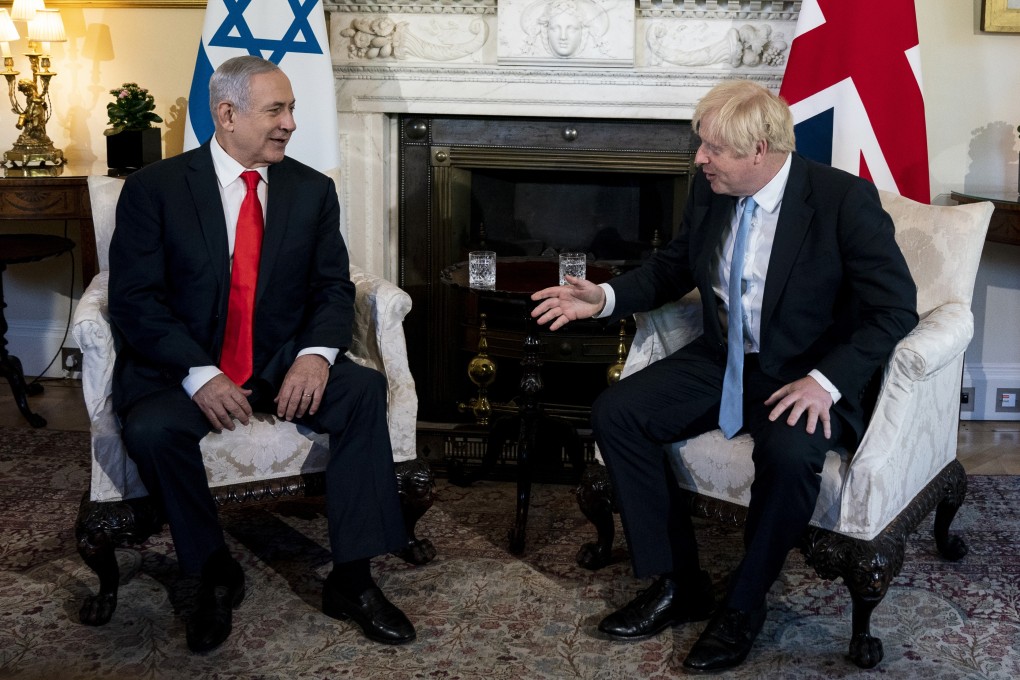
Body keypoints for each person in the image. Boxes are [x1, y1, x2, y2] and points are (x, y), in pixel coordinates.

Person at [530, 79, 918, 673]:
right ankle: (678, 580)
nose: (699, 158)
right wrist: (604, 297)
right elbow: (672, 268)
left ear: (758, 150)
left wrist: (827, 381)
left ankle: (743, 604)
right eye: (700, 144)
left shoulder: (844, 201)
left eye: (712, 148)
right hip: (725, 359)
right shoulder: (711, 191)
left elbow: (893, 308)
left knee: (790, 457)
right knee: (618, 412)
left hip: (806, 374)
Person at [108, 55, 415, 653]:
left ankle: (352, 579)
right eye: (276, 110)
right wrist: (199, 373)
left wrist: (318, 356)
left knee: (363, 391)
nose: (291, 124)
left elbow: (333, 286)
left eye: (292, 108)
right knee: (149, 428)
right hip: (188, 367)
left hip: (280, 362)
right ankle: (211, 569)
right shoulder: (155, 190)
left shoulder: (311, 190)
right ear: (226, 114)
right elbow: (134, 300)